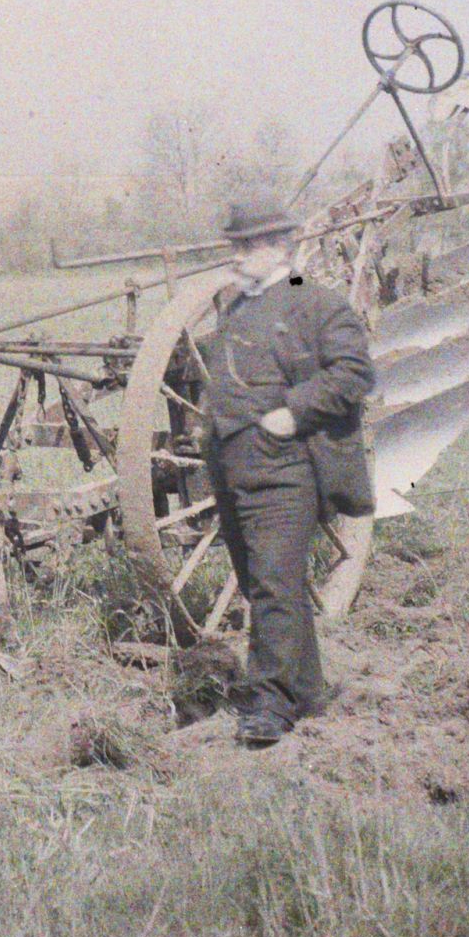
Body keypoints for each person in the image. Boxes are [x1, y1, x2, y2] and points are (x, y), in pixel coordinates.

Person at [200, 197, 376, 748]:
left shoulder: (316, 303)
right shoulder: (236, 308)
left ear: (280, 247)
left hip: (286, 468)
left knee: (274, 583)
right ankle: (306, 692)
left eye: (245, 245)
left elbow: (354, 374)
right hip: (233, 467)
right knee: (269, 583)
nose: (235, 256)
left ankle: (270, 705)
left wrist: (294, 412)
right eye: (234, 245)